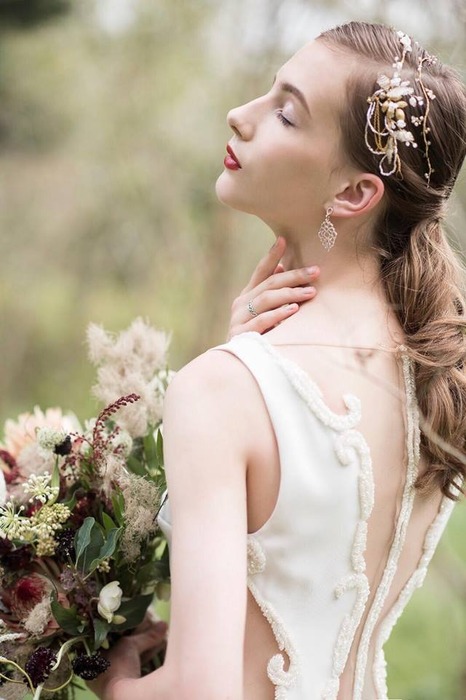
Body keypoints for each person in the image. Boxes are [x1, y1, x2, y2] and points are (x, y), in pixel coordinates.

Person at [91, 21, 466, 700]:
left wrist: (115, 685)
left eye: (285, 113)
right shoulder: (435, 373)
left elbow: (203, 691)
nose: (240, 115)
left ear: (353, 194)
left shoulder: (225, 393)